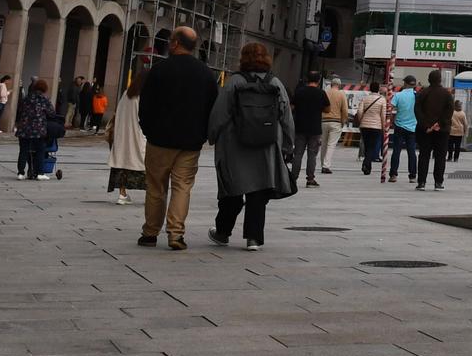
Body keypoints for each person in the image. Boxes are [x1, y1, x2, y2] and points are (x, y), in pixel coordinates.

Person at [206, 41, 296, 252]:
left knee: (232, 190)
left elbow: (220, 113)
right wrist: (289, 143)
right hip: (266, 145)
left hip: (235, 144)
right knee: (259, 192)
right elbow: (286, 116)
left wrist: (211, 135)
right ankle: (253, 238)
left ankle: (222, 232)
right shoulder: (275, 83)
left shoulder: (235, 81)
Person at [136, 25, 220, 251]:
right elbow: (213, 108)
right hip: (190, 142)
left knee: (156, 186)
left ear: (175, 43)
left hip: (160, 139)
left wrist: (148, 130)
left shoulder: (160, 70)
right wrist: (202, 134)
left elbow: (145, 105)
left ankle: (150, 232)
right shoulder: (206, 74)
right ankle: (175, 234)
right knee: (182, 187)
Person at [107, 75, 146, 205]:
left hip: (122, 136)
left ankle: (122, 194)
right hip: (137, 134)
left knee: (122, 164)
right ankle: (152, 195)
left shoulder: (127, 94)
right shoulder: (143, 96)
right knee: (145, 165)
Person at [289, 69, 328, 187]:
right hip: (315, 128)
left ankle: (293, 179)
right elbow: (328, 109)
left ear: (307, 79)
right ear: (319, 80)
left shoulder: (299, 92)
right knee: (312, 155)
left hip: (300, 126)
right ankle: (310, 179)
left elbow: (292, 107)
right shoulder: (321, 93)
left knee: (298, 154)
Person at [416, 71, 454, 191]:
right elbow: (449, 111)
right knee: (440, 156)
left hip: (425, 131)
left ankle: (421, 182)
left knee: (424, 155)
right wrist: (440, 123)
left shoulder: (423, 93)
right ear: (440, 80)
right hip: (442, 130)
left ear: (429, 79)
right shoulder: (447, 94)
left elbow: (417, 110)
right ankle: (438, 182)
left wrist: (426, 125)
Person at [14, 77, 56, 181]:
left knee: (23, 150)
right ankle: (40, 173)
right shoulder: (44, 99)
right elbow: (52, 113)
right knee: (40, 151)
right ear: (45, 89)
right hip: (38, 129)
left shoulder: (26, 98)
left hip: (24, 128)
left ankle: (20, 173)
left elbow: (20, 110)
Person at [388, 76, 420, 184]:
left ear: (405, 84)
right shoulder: (416, 96)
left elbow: (390, 108)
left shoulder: (398, 95)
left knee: (396, 151)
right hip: (412, 127)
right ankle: (412, 176)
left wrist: (390, 120)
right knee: (411, 152)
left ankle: (393, 174)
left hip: (399, 126)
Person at [356, 84, 390, 176]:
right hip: (376, 126)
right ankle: (366, 164)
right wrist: (384, 127)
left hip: (365, 125)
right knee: (372, 146)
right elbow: (383, 115)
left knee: (367, 146)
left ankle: (367, 166)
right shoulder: (382, 100)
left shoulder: (365, 99)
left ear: (370, 89)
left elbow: (359, 111)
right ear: (378, 89)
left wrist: (361, 121)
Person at [319, 77, 350, 175]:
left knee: (323, 144)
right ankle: (326, 165)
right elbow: (344, 110)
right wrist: (343, 121)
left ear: (331, 84)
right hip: (336, 121)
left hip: (324, 121)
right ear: (339, 85)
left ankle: (322, 163)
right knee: (331, 145)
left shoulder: (325, 92)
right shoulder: (341, 94)